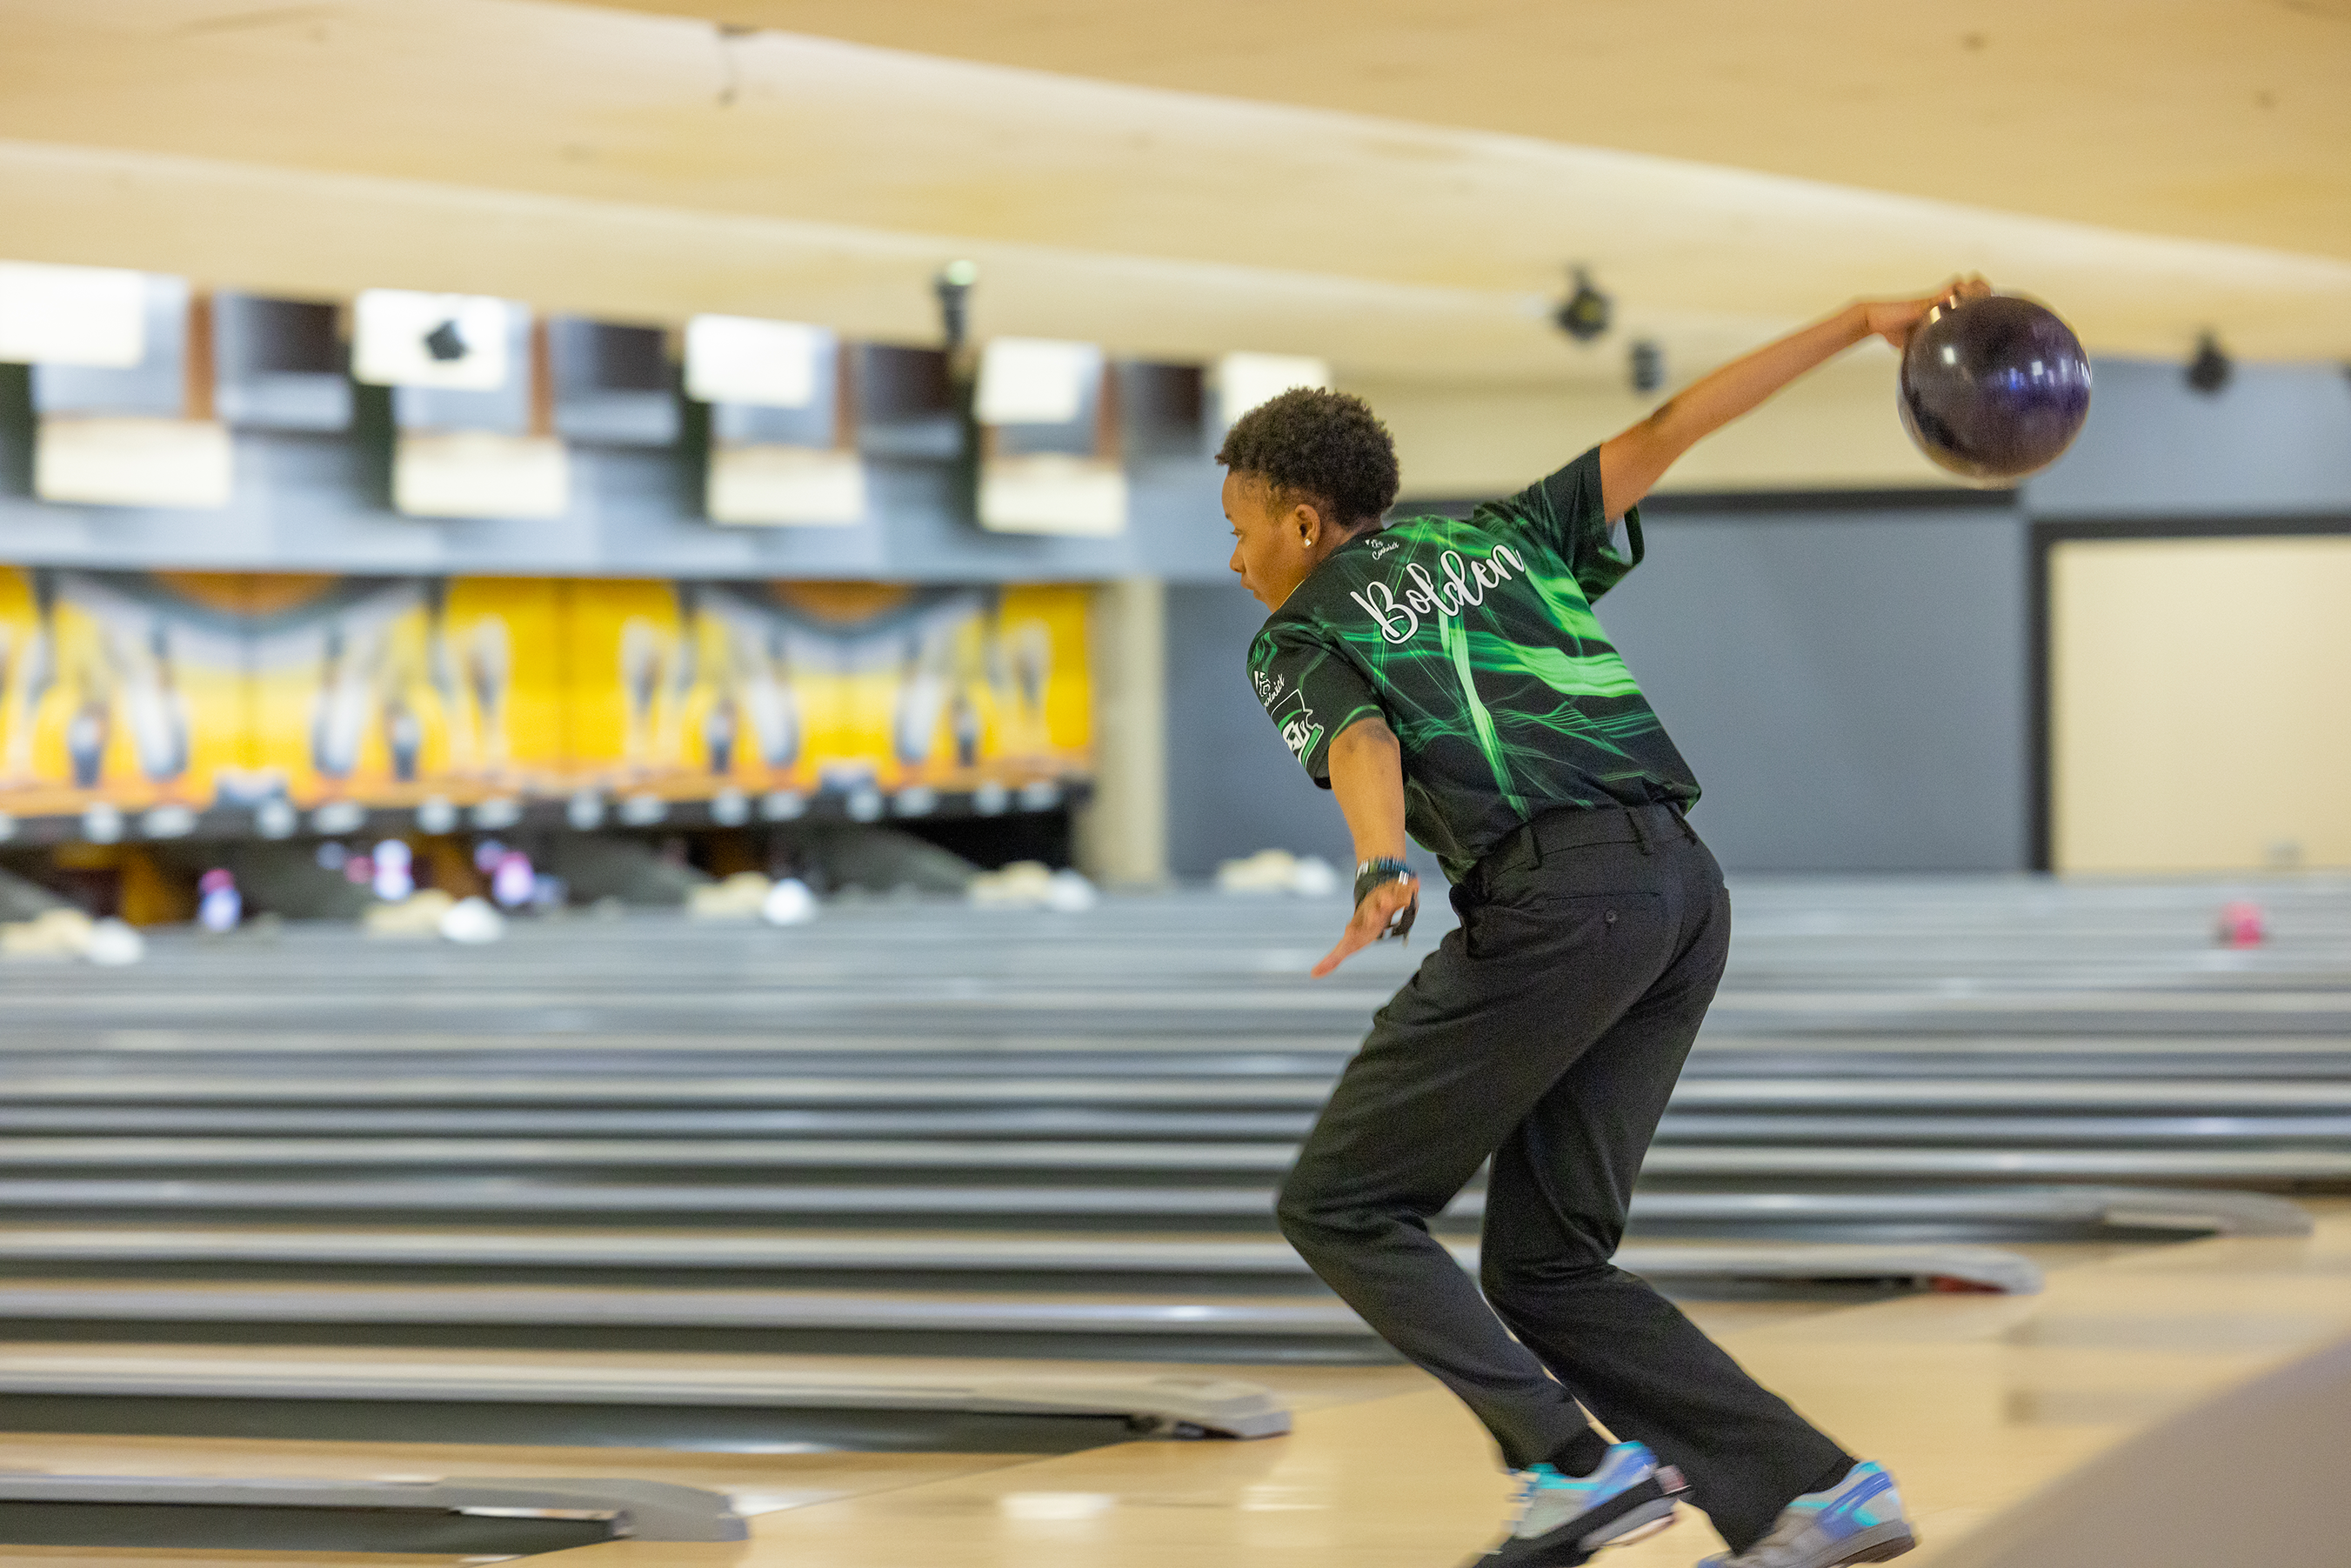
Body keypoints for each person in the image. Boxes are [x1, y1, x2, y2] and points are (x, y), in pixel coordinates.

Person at [1223, 279, 1987, 1568]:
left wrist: (1373, 862)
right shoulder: (1510, 535)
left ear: (1302, 523)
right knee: (1547, 1264)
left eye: (1239, 529)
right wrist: (1858, 322)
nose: (1235, 558)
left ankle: (1568, 1467)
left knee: (1342, 1202)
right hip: (1682, 892)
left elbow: (1358, 736)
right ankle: (1817, 1492)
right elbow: (1676, 424)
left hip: (1560, 899)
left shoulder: (1297, 628)